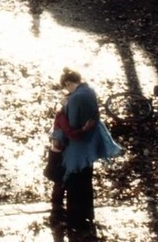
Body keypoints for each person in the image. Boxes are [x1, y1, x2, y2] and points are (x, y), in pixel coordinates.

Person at [58, 67, 122, 233]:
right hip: (90, 146)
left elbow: (71, 127)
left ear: (68, 83)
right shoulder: (90, 91)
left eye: (66, 88)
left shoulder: (75, 99)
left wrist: (64, 107)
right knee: (86, 183)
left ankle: (75, 221)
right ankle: (88, 215)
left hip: (78, 149)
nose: (67, 92)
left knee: (74, 185)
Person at [44, 87, 96, 225]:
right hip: (58, 153)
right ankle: (56, 212)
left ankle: (57, 212)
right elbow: (70, 133)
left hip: (60, 151)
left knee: (61, 182)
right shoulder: (61, 115)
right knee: (60, 182)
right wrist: (85, 129)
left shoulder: (66, 114)